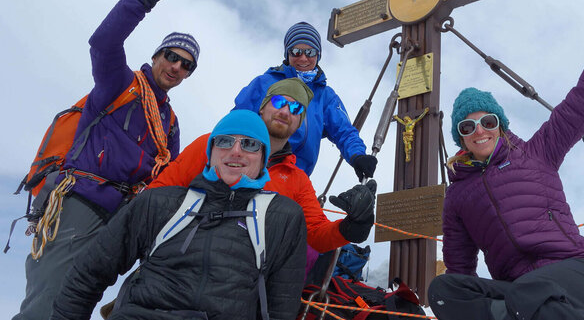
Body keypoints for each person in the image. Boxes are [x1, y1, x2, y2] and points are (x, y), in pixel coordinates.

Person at [428, 0, 584, 320]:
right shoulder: (458, 198)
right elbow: (461, 269)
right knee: (444, 292)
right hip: (521, 295)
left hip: (581, 272)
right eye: (468, 126)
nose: (480, 131)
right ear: (460, 137)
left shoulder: (538, 151)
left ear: (500, 125)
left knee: (529, 292)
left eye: (488, 122)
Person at [15, 0, 199, 320]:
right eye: (172, 56)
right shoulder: (120, 83)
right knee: (48, 297)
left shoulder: (170, 123)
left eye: (186, 65)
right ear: (158, 56)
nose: (176, 66)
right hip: (80, 201)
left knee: (76, 301)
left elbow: (168, 179)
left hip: (120, 219)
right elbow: (103, 42)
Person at [51, 110, 307, 319]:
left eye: (250, 144)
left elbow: (280, 307)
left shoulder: (281, 217)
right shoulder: (160, 203)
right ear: (210, 152)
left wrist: (347, 227)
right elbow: (89, 273)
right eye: (226, 141)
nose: (236, 151)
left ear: (262, 159)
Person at [150, 78, 377, 267]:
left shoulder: (296, 180)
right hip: (176, 267)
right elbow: (157, 194)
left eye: (296, 108)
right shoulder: (214, 146)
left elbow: (317, 235)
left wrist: (353, 224)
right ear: (262, 107)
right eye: (279, 101)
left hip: (242, 286)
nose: (286, 111)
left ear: (299, 123)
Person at [234, 22, 377, 179]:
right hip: (255, 171)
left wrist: (357, 155)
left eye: (310, 52)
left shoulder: (325, 96)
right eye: (296, 51)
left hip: (296, 177)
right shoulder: (265, 83)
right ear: (287, 54)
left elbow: (343, 131)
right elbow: (236, 121)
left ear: (318, 55)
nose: (303, 58)